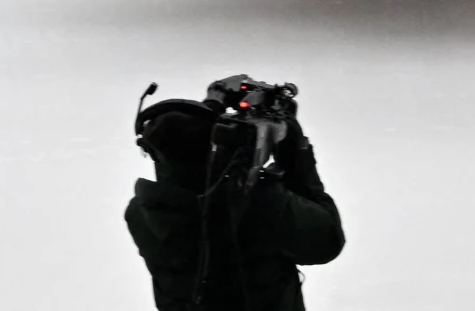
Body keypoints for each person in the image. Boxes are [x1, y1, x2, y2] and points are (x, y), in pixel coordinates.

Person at [127, 105, 344, 311]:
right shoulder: (259, 204)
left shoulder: (143, 211)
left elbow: (189, 164)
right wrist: (297, 158)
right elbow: (327, 241)